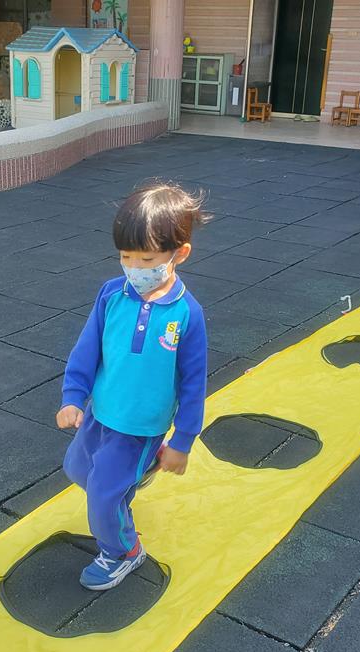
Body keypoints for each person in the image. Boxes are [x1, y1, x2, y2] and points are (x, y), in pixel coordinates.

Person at [56, 181, 209, 591]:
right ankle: (140, 469)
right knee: (77, 469)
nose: (135, 267)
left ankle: (124, 552)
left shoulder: (187, 315)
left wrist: (182, 442)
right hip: (101, 412)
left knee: (104, 496)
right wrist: (73, 397)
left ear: (179, 254)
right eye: (126, 256)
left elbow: (194, 384)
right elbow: (87, 349)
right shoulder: (111, 295)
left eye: (147, 259)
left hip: (140, 427)